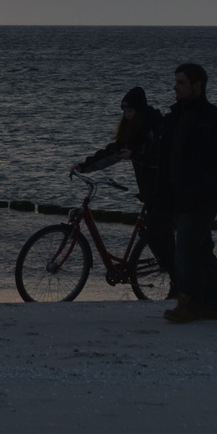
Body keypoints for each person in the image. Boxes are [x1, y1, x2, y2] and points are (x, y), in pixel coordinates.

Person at [73, 86, 175, 296]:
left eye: (129, 111)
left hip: (165, 191)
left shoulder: (156, 128)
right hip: (149, 192)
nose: (126, 115)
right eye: (124, 112)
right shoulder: (133, 131)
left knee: (160, 237)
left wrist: (135, 156)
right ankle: (174, 275)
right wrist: (83, 166)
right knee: (155, 236)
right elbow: (113, 153)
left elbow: (163, 160)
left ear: (139, 111)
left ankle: (177, 282)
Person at [157, 63, 217, 324]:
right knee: (202, 249)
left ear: (197, 85)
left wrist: (203, 179)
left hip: (202, 197)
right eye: (176, 82)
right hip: (179, 195)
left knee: (186, 250)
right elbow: (165, 155)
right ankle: (212, 303)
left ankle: (189, 302)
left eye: (181, 82)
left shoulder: (214, 117)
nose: (175, 87)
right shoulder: (175, 116)